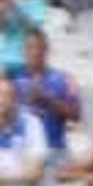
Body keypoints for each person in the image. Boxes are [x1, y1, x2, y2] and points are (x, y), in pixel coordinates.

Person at [13, 28, 79, 163]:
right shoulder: (15, 82)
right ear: (23, 51)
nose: (34, 52)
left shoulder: (64, 79)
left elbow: (76, 115)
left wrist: (47, 99)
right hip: (26, 152)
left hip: (54, 149)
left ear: (46, 50)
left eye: (38, 47)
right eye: (29, 48)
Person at [0, 78, 49, 186]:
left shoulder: (32, 124)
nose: (2, 100)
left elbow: (35, 174)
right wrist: (19, 171)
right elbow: (27, 172)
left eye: (7, 95)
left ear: (16, 99)